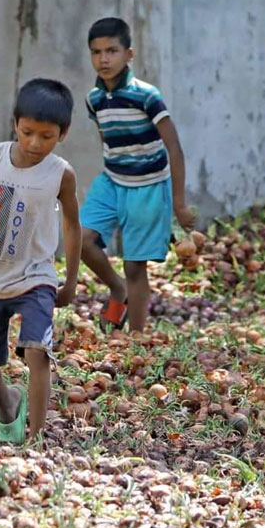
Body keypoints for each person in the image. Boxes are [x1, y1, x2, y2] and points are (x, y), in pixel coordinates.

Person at [0, 78, 81, 443]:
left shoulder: (61, 173)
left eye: (46, 136)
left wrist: (70, 280)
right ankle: (9, 401)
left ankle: (37, 437)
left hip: (37, 277)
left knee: (38, 350)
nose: (34, 144)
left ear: (63, 133)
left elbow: (72, 223)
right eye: (27, 132)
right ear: (15, 124)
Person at [79, 17, 195, 332]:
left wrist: (179, 204)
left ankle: (136, 337)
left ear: (129, 54)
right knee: (81, 240)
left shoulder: (147, 95)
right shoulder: (95, 99)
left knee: (134, 264)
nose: (103, 59)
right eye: (96, 52)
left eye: (112, 51)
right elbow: (107, 137)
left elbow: (174, 147)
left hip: (148, 185)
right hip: (112, 181)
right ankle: (118, 290)